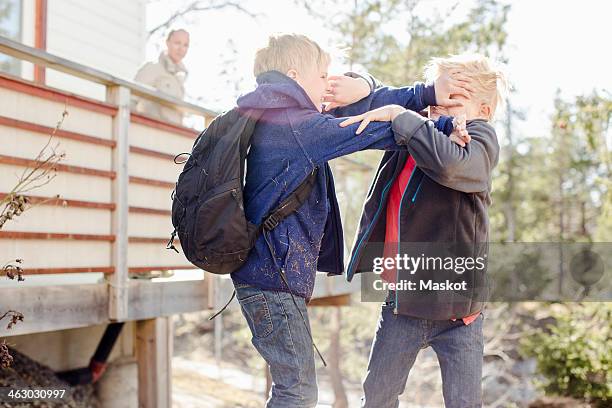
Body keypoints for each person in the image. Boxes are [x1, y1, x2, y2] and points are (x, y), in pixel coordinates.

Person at [230, 33, 471, 408]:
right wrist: (436, 125)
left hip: (266, 278)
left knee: (293, 388)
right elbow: (369, 128)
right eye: (322, 75)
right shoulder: (296, 125)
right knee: (297, 392)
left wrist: (389, 90)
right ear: (294, 75)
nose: (328, 84)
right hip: (270, 279)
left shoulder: (282, 116)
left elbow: (358, 111)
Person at [339, 53, 506, 408]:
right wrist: (369, 86)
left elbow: (453, 168)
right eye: (437, 97)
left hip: (459, 314)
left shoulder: (479, 139)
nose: (440, 106)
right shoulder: (411, 134)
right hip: (404, 303)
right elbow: (363, 112)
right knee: (378, 397)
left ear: (484, 111)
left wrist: (405, 119)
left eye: (454, 100)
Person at [134, 29, 189, 124]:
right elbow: (131, 98)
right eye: (177, 43)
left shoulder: (180, 79)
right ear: (167, 43)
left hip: (172, 133)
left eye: (185, 45)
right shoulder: (152, 68)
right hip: (151, 130)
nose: (181, 49)